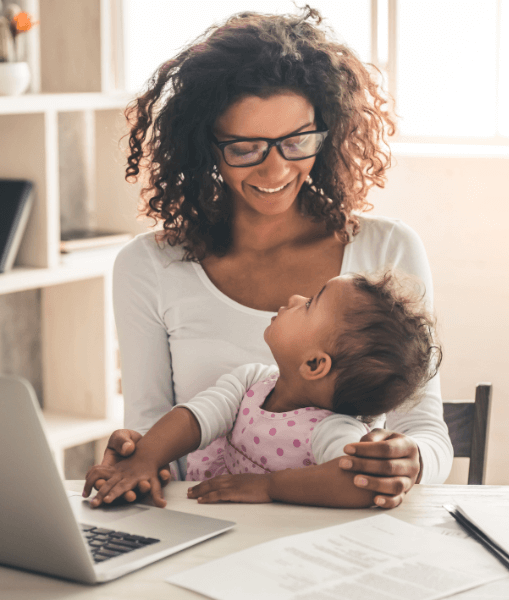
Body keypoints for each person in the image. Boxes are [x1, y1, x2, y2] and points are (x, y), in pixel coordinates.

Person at [95, 5, 453, 509]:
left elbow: (424, 431)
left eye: (296, 141)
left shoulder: (387, 248)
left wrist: (409, 461)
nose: (275, 168)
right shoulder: (148, 266)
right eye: (245, 148)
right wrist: (139, 456)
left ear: (326, 132)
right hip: (203, 524)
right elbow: (155, 429)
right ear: (206, 147)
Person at [85, 271, 441, 508]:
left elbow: (359, 481)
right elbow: (195, 419)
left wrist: (270, 487)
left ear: (315, 365)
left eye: (310, 304)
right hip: (205, 523)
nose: (296, 296)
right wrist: (145, 457)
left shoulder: (333, 429)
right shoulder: (250, 382)